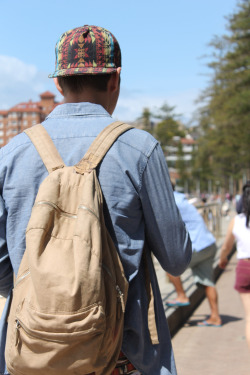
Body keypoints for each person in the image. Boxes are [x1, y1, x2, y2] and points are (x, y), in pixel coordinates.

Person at [0, 25, 192, 375]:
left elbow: (0, 271)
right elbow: (176, 260)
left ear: (58, 83)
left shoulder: (11, 155)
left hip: (34, 354)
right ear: (115, 78)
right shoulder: (139, 149)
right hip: (122, 355)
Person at [166, 182, 221, 327]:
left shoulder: (170, 202)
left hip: (197, 245)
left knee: (170, 266)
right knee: (208, 282)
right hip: (208, 243)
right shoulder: (180, 198)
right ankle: (215, 316)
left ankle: (181, 296)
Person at [219, 181, 250, 350]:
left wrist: (222, 260)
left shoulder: (237, 220)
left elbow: (226, 246)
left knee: (249, 318)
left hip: (245, 267)